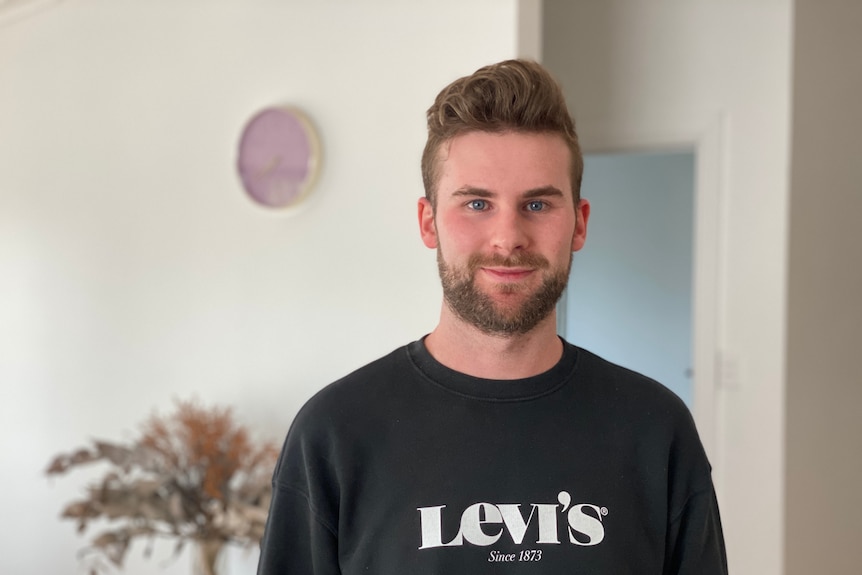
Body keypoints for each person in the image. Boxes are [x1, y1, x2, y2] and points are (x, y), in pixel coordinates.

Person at [257, 59, 727, 574]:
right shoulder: (334, 434)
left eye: (539, 205)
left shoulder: (656, 431)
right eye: (477, 204)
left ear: (579, 223)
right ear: (428, 221)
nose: (508, 238)